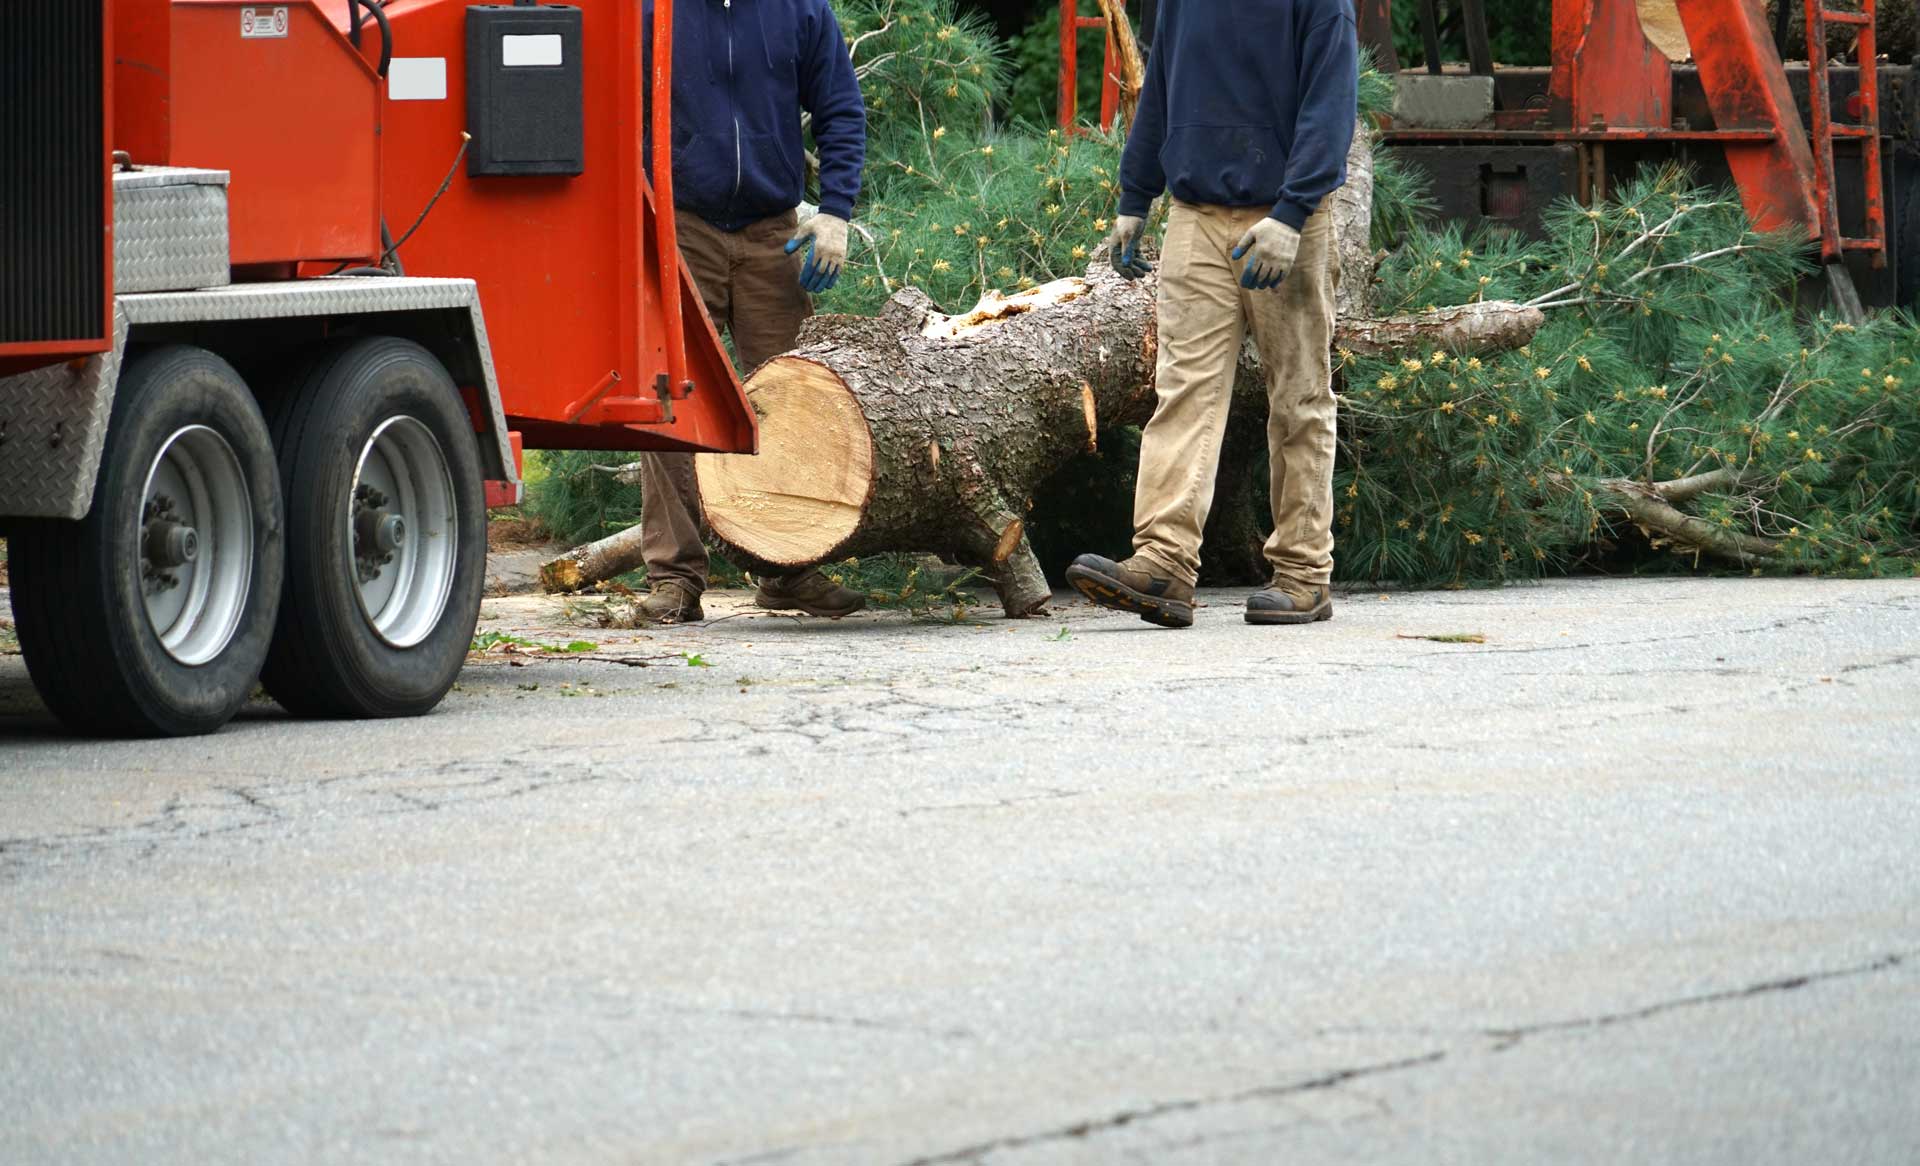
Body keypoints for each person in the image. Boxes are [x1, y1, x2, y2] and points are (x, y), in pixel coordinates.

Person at [1066, 0, 1358, 629]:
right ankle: (1164, 562)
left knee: (1299, 396)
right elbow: (1163, 85)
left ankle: (1304, 575)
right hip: (1195, 215)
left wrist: (1293, 213)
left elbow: (1332, 102)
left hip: (1285, 222)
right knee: (1183, 390)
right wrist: (1135, 193)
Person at [637, 0, 869, 624]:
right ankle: (676, 578)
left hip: (775, 234)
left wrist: (837, 212)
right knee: (670, 396)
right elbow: (609, 109)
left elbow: (840, 108)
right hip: (679, 228)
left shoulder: (802, 9)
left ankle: (787, 571)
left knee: (790, 401)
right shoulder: (650, 11)